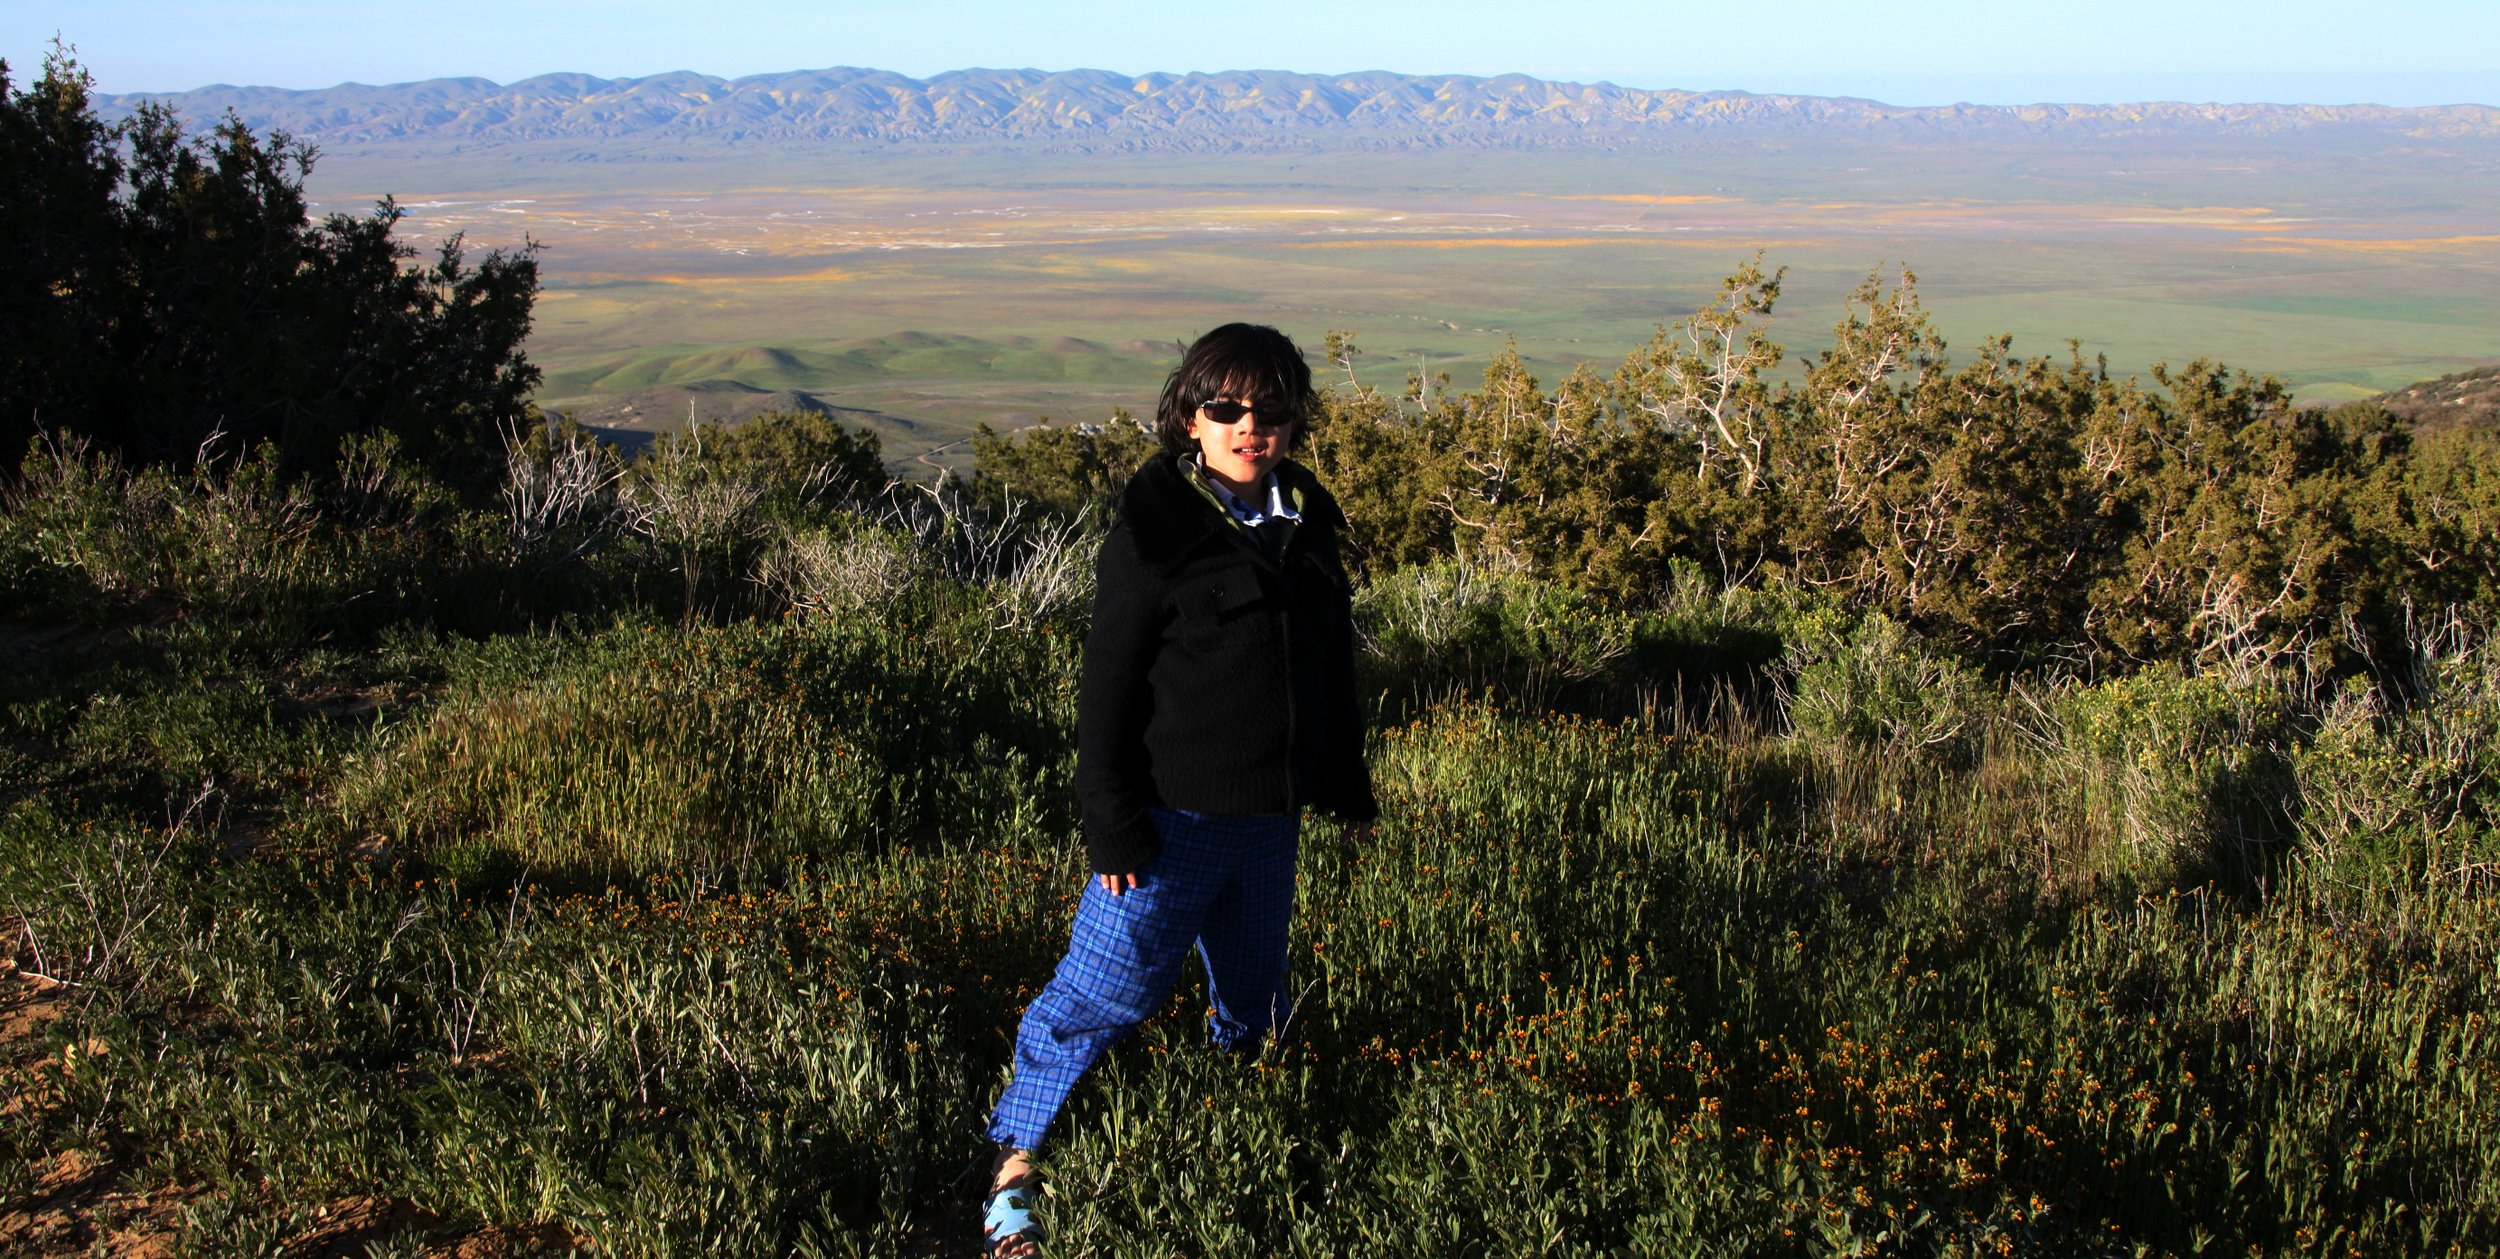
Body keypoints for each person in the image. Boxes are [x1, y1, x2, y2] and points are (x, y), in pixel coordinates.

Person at [980, 323, 1377, 1257]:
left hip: (1266, 826)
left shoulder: (1308, 523)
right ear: (1189, 415)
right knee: (1099, 996)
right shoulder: (1153, 534)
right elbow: (1105, 692)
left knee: (1252, 995)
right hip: (1168, 824)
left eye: (1271, 409)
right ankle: (1010, 1174)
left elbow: (1332, 673)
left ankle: (1234, 1142)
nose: (1251, 426)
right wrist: (1111, 825)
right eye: (1227, 407)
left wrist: (1346, 786)